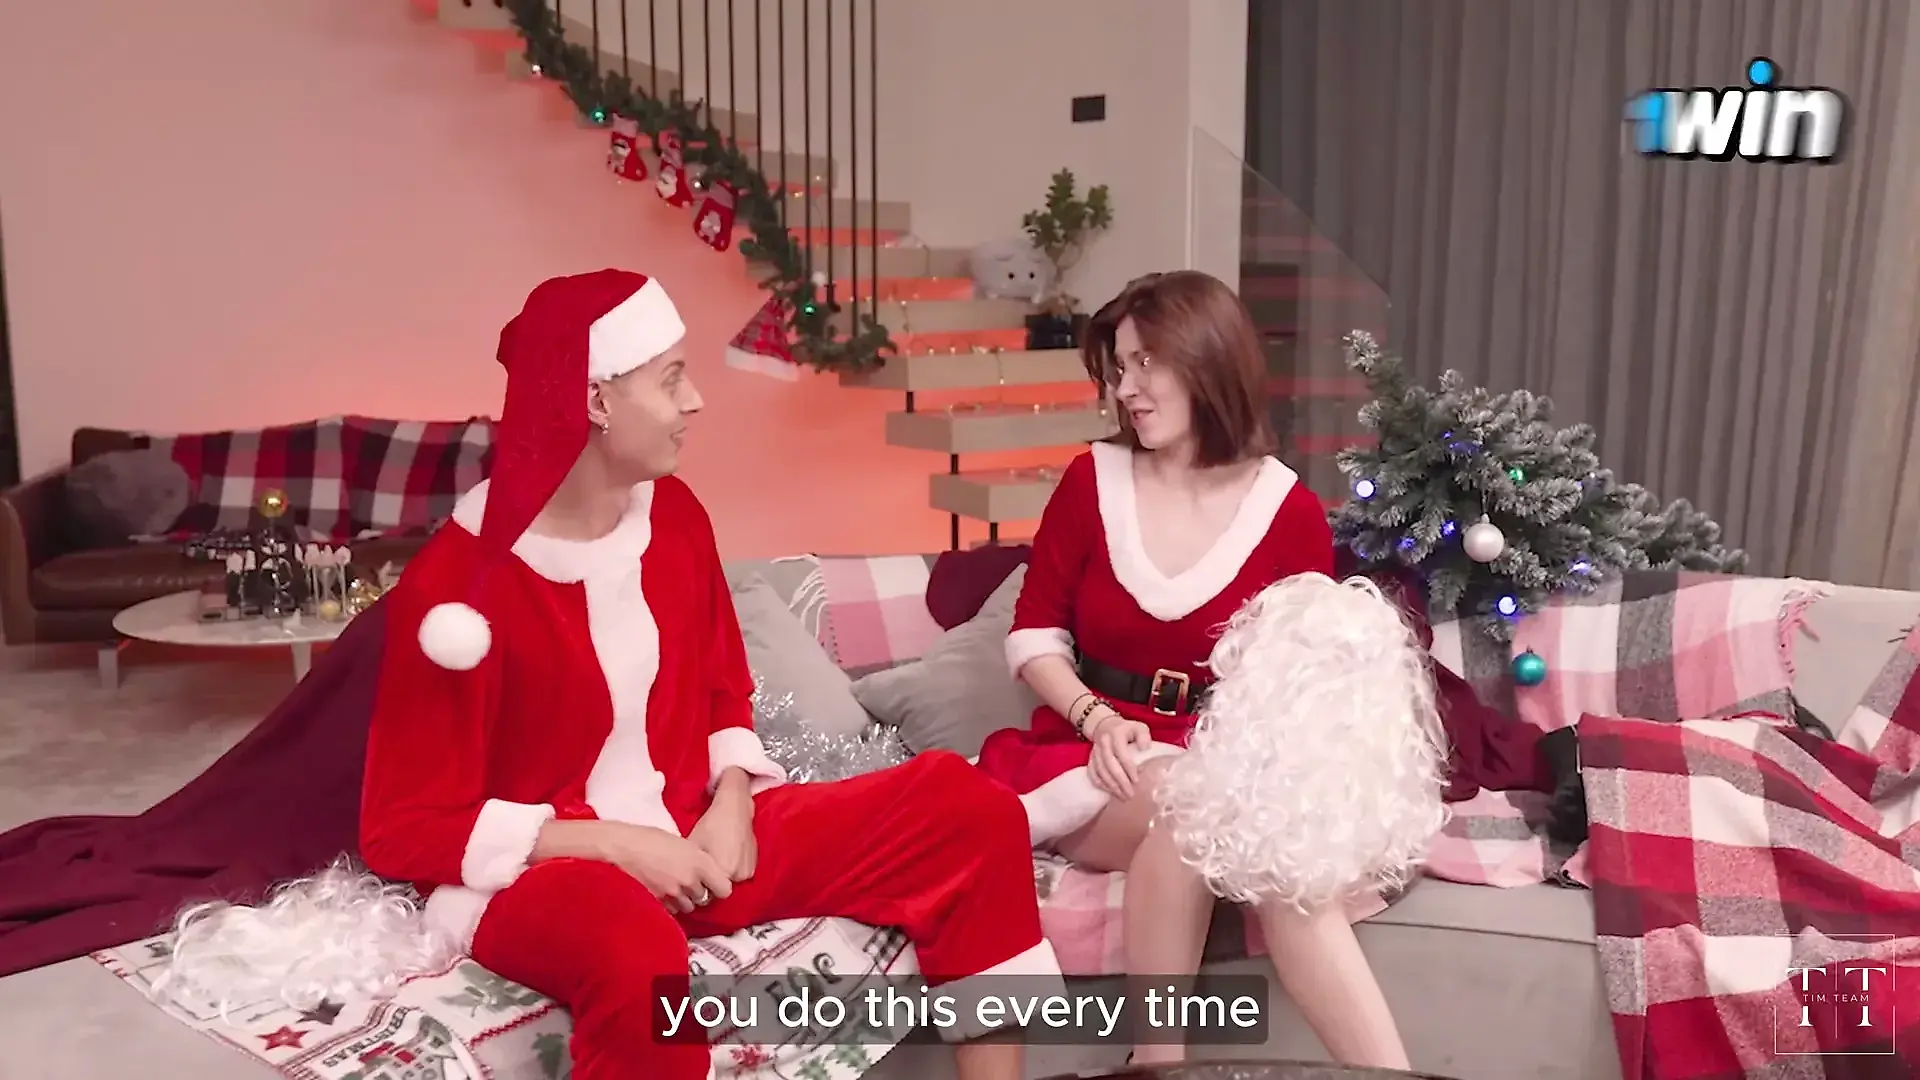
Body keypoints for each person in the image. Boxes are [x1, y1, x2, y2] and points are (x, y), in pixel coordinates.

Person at [159, 270, 1062, 1080]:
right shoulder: (458, 590)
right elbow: (403, 829)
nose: (695, 401)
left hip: (690, 833)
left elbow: (724, 689)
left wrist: (733, 801)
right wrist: (621, 847)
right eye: (671, 379)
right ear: (596, 399)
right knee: (639, 961)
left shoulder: (677, 519)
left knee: (963, 807)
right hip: (538, 876)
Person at [973, 270, 1417, 1069]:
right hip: (1093, 752)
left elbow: (1302, 682)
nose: (1125, 389)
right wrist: (1095, 718)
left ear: (1206, 360)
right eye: (1118, 368)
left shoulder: (1288, 510)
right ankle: (1157, 1064)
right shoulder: (1091, 480)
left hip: (1227, 756)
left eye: (1145, 363)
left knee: (1288, 867)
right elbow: (1033, 634)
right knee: (1192, 815)